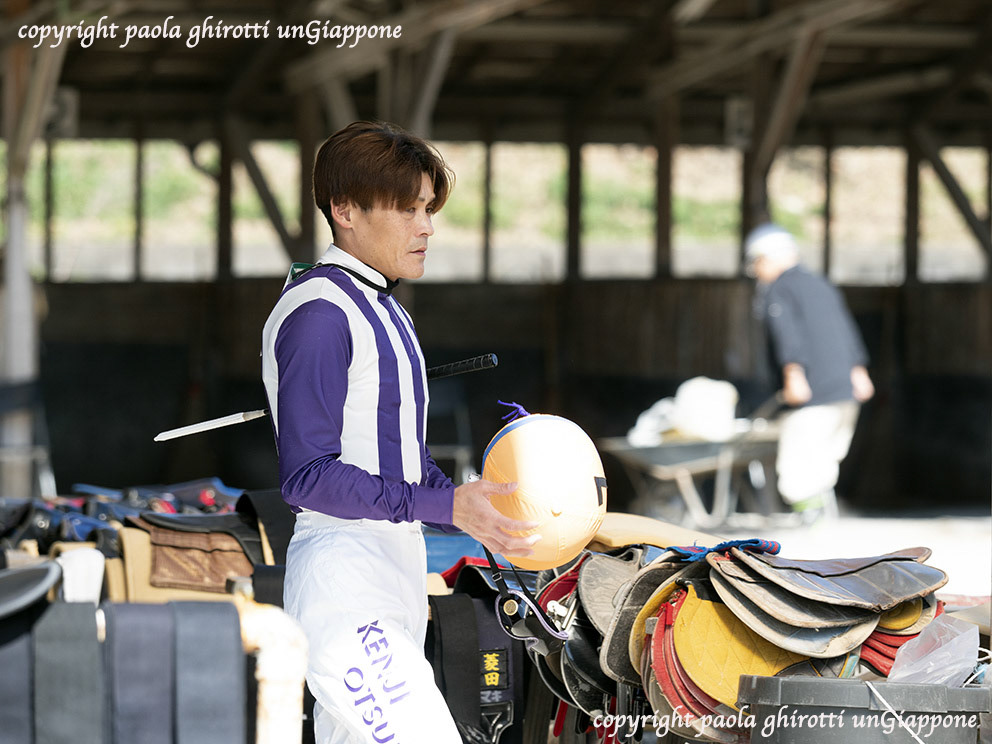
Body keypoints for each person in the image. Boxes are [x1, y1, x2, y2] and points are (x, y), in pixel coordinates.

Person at [261, 121, 539, 744]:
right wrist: (443, 504)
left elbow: (409, 470)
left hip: (397, 574)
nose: (427, 227)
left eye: (428, 209)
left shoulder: (385, 308)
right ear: (344, 210)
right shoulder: (317, 314)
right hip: (344, 582)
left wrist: (476, 510)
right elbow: (305, 477)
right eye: (408, 209)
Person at [746, 223, 875, 521]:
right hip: (843, 389)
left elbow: (786, 334)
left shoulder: (779, 288)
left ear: (767, 258)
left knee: (798, 466)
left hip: (811, 393)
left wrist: (793, 374)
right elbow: (845, 328)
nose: (756, 272)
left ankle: (810, 522)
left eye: (756, 263)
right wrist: (858, 371)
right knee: (826, 458)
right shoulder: (820, 284)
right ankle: (821, 517)